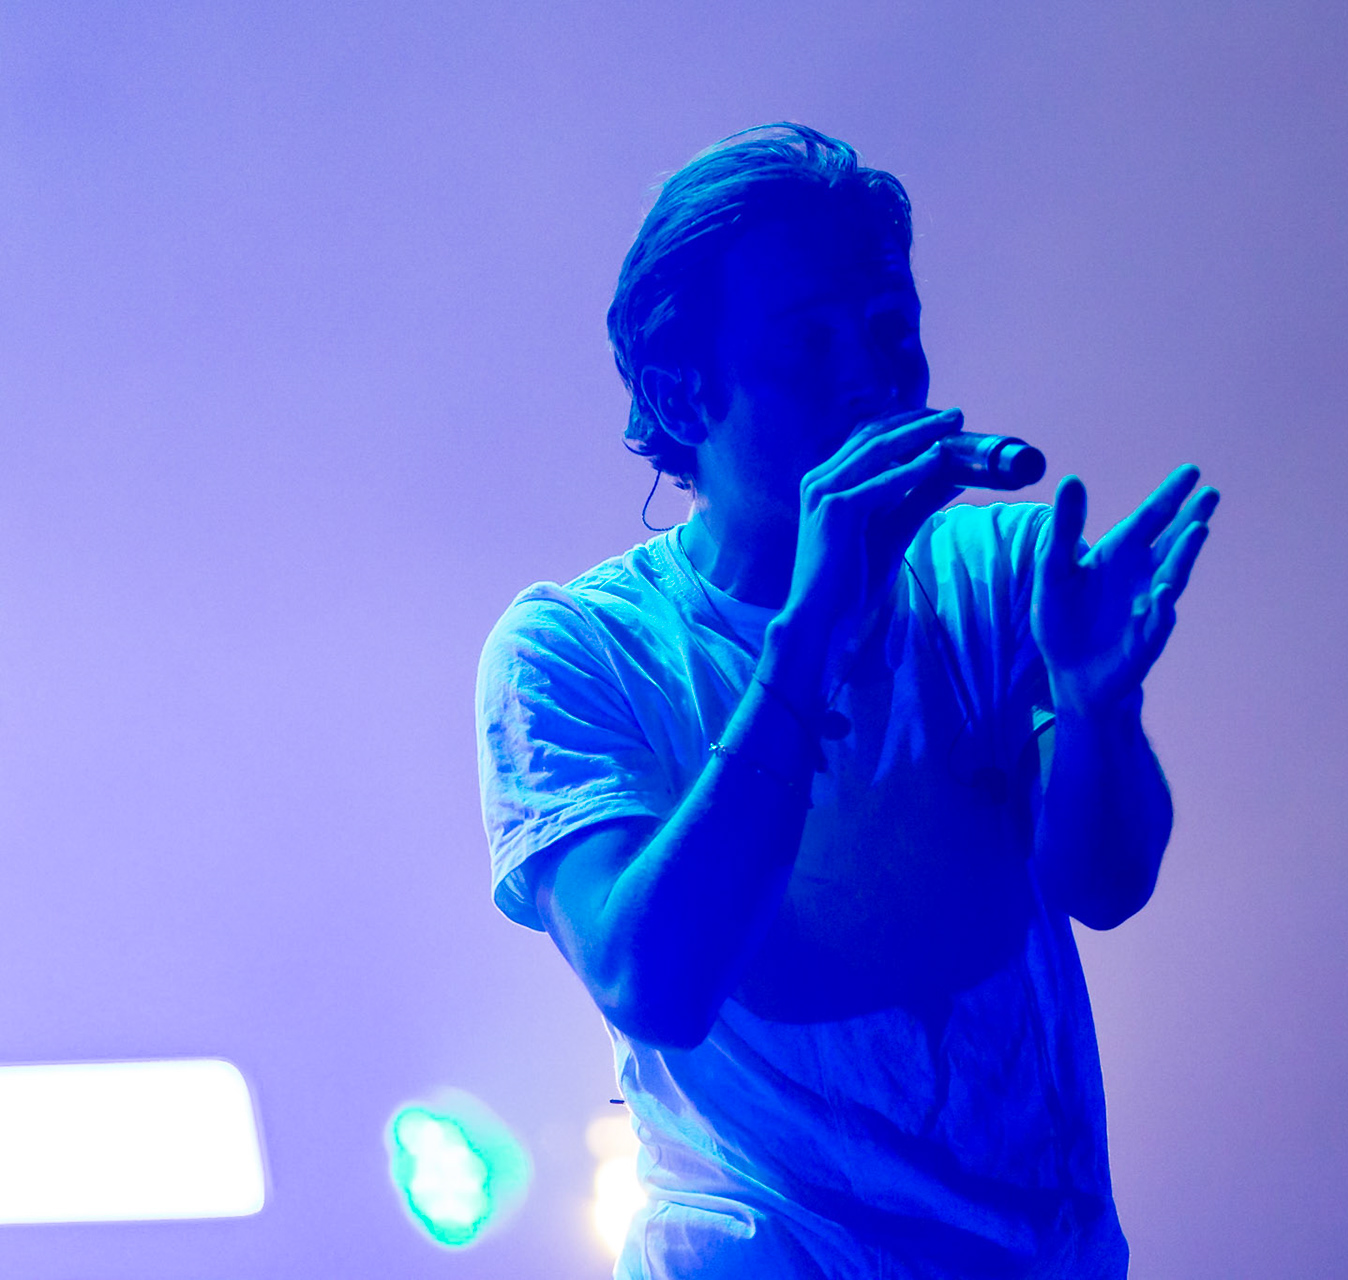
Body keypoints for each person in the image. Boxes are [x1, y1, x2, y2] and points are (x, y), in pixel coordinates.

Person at [476, 123, 1218, 1279]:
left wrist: (1096, 710)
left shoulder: (994, 573)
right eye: (811, 345)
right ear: (684, 391)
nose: (871, 378)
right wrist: (810, 629)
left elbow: (1106, 884)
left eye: (890, 331)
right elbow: (655, 978)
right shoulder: (574, 651)